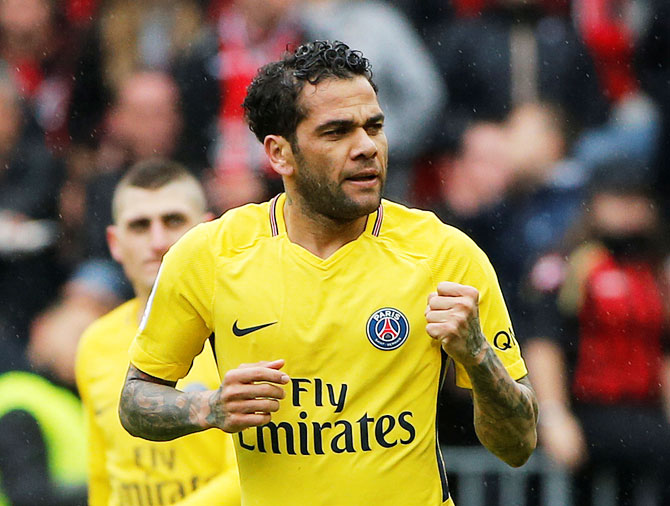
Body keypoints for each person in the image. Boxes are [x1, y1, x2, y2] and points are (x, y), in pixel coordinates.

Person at [118, 41, 538, 506]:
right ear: (280, 155)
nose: (365, 148)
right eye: (337, 132)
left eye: (374, 127)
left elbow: (518, 444)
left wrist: (478, 356)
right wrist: (209, 407)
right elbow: (136, 400)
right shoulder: (210, 255)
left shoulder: (443, 255)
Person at [75, 159, 240, 506]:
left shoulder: (239, 331)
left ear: (205, 231)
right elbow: (101, 476)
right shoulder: (95, 343)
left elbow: (247, 473)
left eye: (173, 220)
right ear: (115, 242)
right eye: (139, 226)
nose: (158, 241)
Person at [523, 162, 670, 504]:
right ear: (596, 202)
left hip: (644, 409)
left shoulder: (654, 267)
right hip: (588, 410)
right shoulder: (567, 264)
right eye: (619, 199)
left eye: (638, 200)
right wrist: (554, 417)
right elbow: (544, 344)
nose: (630, 210)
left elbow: (663, 349)